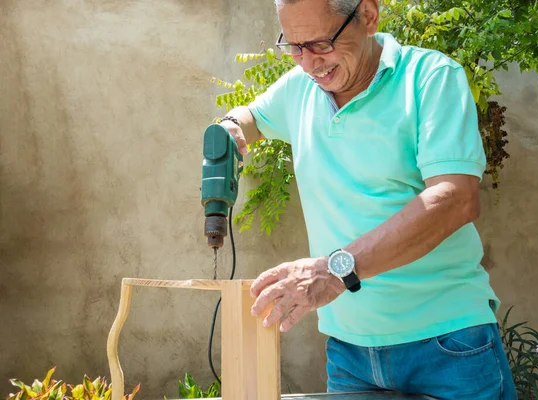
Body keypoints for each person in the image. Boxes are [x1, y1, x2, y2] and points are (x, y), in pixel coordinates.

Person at [216, 0, 517, 398]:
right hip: (350, 351)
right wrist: (229, 127)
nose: (307, 63)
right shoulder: (300, 88)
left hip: (447, 343)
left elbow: (455, 199)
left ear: (369, 17)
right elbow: (251, 118)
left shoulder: (430, 78)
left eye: (321, 43)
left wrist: (336, 271)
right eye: (294, 46)